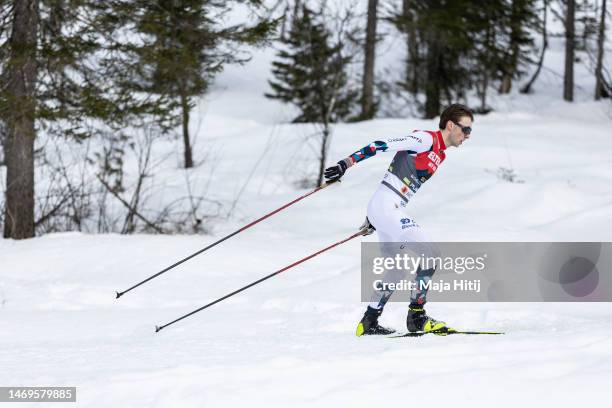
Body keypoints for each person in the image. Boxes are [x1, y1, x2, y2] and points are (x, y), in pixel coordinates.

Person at [324, 104, 474, 336]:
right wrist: (346, 163)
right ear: (451, 125)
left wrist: (375, 217)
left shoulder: (440, 153)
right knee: (431, 255)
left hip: (385, 208)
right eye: (466, 130)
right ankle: (417, 317)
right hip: (386, 208)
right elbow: (379, 146)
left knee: (398, 269)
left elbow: (397, 181)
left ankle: (369, 322)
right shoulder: (425, 140)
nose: (467, 136)